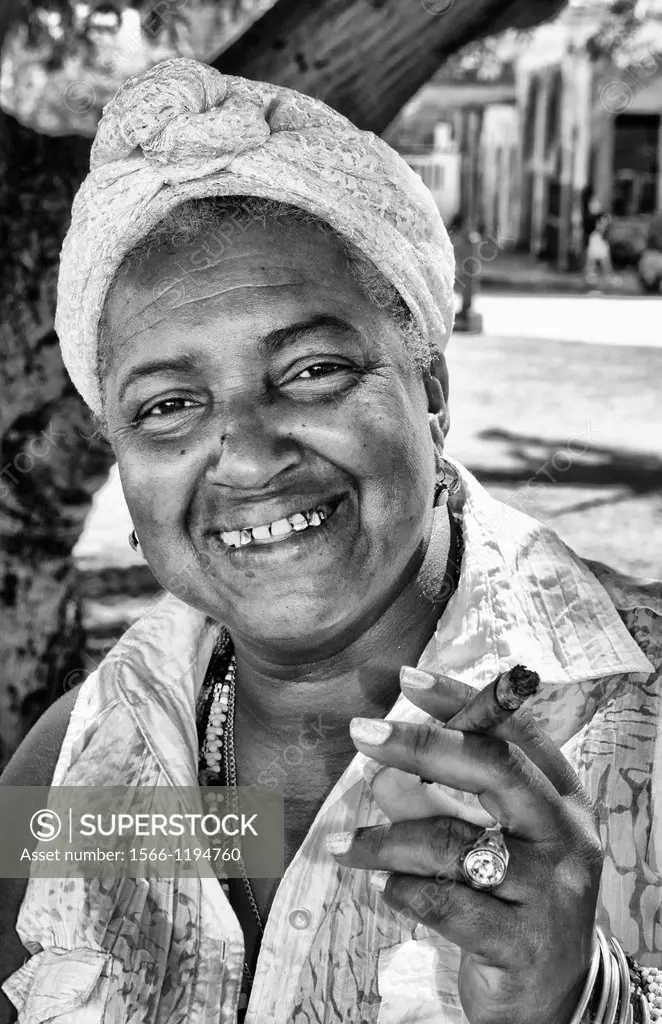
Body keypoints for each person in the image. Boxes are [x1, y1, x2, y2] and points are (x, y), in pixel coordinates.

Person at [1, 56, 661, 1024]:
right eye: (171, 404)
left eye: (310, 369)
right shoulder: (88, 760)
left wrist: (581, 1003)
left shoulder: (637, 720)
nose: (248, 453)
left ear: (429, 393)